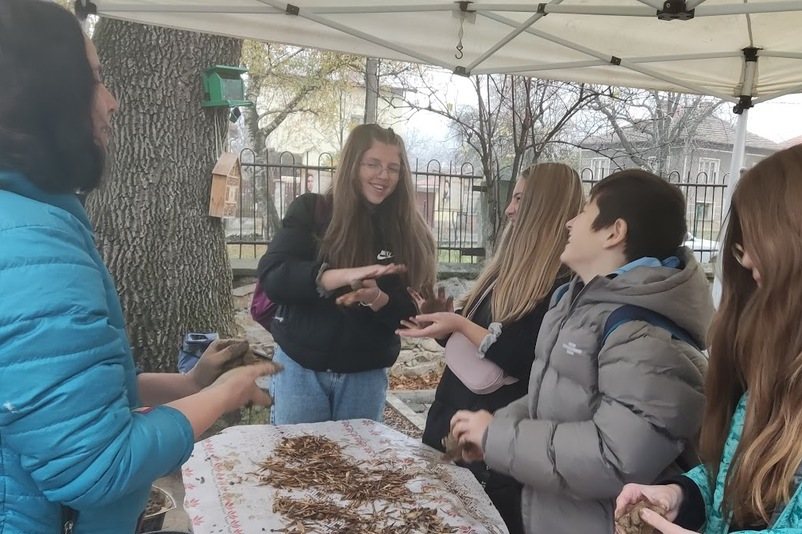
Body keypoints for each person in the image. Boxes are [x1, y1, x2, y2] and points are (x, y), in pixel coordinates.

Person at [0, 2, 275, 532]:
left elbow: (59, 399)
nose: (112, 102)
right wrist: (226, 394)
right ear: (47, 96)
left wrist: (189, 382)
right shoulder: (30, 244)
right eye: (97, 79)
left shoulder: (30, 218)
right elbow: (97, 465)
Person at [450, 169, 714, 534]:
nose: (570, 222)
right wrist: (493, 434)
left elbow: (614, 456)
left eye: (585, 211)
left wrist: (497, 437)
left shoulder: (646, 337)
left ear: (614, 232)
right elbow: (547, 398)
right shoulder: (575, 301)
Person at [614, 145, 802, 533]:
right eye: (740, 244)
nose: (746, 261)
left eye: (759, 239)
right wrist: (680, 494)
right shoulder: (776, 361)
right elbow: (745, 483)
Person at [397, 163, 583, 534]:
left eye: (519, 198)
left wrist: (462, 324)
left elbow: (526, 359)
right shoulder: (507, 268)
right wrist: (443, 322)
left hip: (492, 445)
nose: (510, 209)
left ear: (542, 207)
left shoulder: (564, 283)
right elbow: (474, 338)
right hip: (449, 418)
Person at [258, 124, 437, 424]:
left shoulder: (409, 234)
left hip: (364, 379)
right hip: (301, 373)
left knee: (357, 469)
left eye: (393, 168)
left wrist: (378, 297)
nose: (384, 175)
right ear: (352, 165)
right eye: (373, 164)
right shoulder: (312, 211)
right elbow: (275, 277)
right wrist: (335, 276)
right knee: (299, 469)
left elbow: (412, 315)